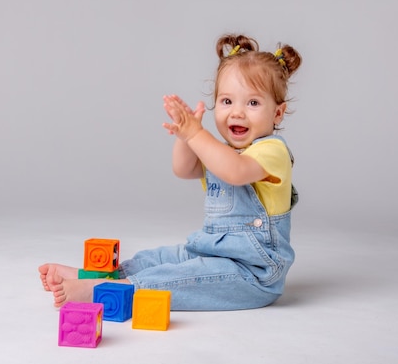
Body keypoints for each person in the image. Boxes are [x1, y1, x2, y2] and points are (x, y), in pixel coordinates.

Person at [39, 33, 302, 311]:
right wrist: (185, 136)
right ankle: (100, 276)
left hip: (253, 274)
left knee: (179, 278)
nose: (237, 113)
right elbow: (184, 169)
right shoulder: (220, 151)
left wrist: (197, 133)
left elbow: (235, 172)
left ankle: (105, 291)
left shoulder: (272, 150)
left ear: (277, 113)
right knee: (159, 259)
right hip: (207, 251)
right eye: (227, 101)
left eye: (252, 103)